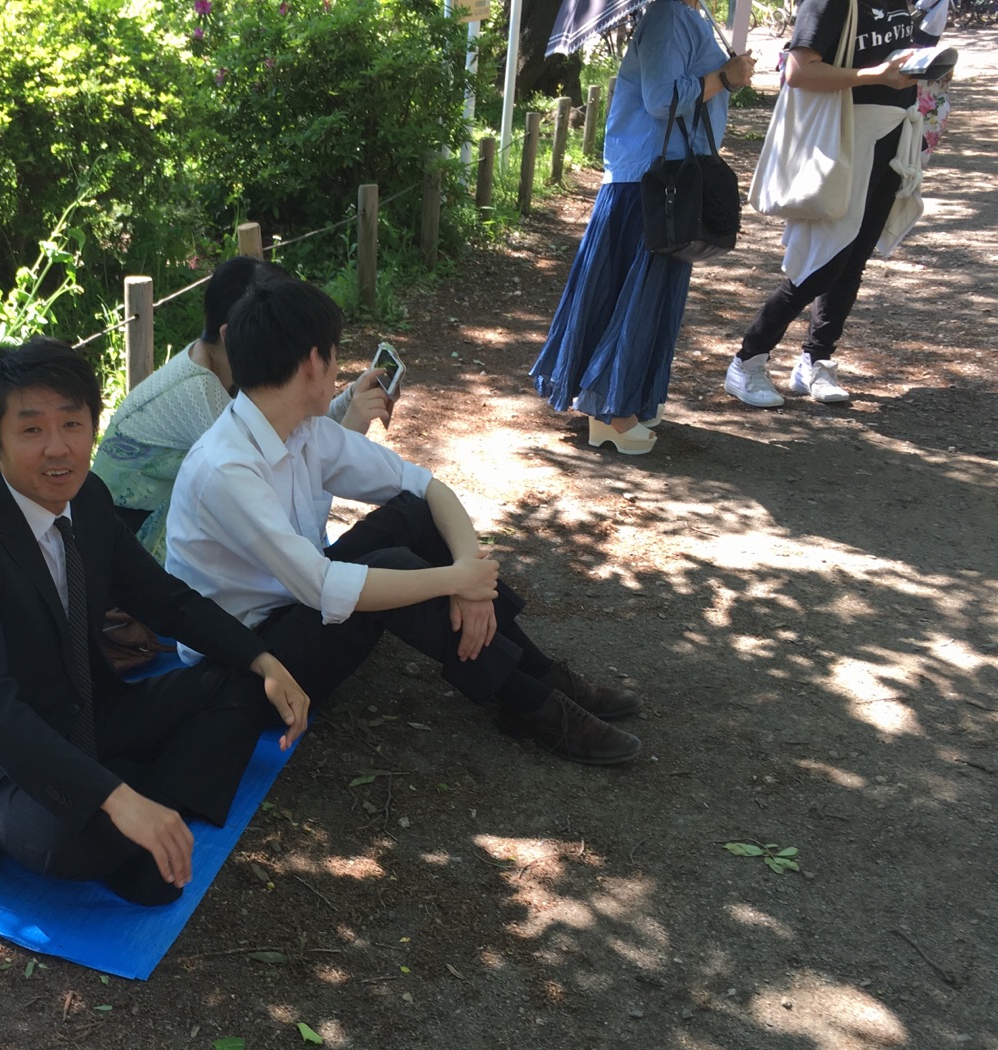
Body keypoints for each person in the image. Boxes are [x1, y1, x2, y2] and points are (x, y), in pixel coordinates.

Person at [0, 337, 310, 912]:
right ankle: (144, 814)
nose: (58, 447)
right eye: (31, 430)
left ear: (92, 427)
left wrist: (263, 659)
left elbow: (167, 601)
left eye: (72, 424)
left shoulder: (87, 499)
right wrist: (113, 797)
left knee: (242, 679)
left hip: (88, 713)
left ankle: (154, 818)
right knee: (71, 837)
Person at [167, 274, 644, 766]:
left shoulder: (303, 430)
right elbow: (323, 586)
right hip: (250, 668)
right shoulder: (226, 468)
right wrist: (454, 579)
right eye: (335, 354)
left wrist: (471, 581)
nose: (339, 369)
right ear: (312, 362)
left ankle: (539, 672)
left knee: (412, 515)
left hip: (292, 606)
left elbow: (424, 486)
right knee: (389, 565)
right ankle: (530, 702)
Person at [532, 0, 756, 455]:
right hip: (650, 183)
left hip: (664, 180)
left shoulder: (690, 14)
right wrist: (725, 78)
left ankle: (627, 399)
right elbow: (660, 99)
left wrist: (726, 76)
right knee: (635, 296)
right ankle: (612, 414)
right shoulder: (667, 15)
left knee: (645, 295)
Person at [92, 256, 395, 561]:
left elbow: (294, 428)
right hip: (132, 539)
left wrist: (349, 399)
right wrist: (351, 427)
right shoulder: (201, 395)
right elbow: (283, 478)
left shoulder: (224, 363)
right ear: (230, 334)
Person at [724, 0, 921, 408]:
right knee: (819, 264)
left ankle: (816, 360)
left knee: (852, 263)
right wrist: (875, 76)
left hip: (891, 141)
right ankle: (747, 361)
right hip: (844, 140)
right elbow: (797, 71)